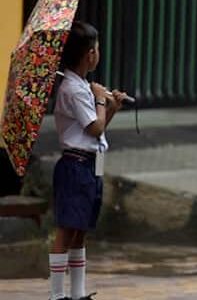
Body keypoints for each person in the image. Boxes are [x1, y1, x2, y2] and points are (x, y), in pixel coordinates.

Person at [49, 21, 126, 300]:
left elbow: (99, 128)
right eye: (97, 49)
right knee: (66, 230)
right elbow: (94, 128)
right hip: (76, 166)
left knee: (80, 230)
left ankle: (78, 293)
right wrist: (100, 101)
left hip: (90, 164)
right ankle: (57, 295)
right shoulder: (74, 89)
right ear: (90, 55)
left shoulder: (82, 87)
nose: (98, 54)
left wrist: (111, 105)